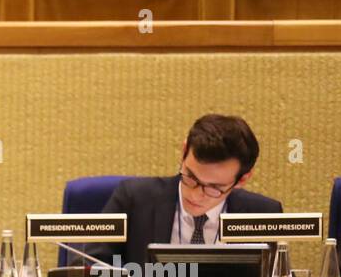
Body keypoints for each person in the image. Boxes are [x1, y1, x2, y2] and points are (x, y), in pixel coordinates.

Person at [92, 114, 282, 268]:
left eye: (214, 188)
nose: (196, 194)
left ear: (242, 179)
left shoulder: (263, 214)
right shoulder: (134, 198)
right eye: (191, 177)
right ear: (184, 152)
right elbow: (87, 267)